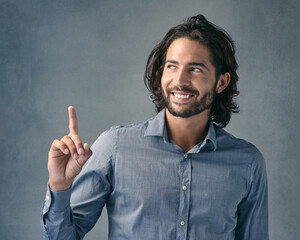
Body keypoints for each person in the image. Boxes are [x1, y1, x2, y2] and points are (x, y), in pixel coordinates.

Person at [41, 14, 269, 240]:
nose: (180, 80)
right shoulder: (116, 147)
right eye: (172, 66)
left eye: (195, 69)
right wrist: (59, 186)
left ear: (221, 82)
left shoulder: (247, 162)